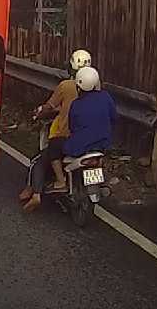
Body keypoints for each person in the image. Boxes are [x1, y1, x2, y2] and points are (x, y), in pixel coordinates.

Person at [23, 65, 115, 213]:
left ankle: (60, 181)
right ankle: (100, 181)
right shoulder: (106, 97)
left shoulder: (76, 103)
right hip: (103, 144)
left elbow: (72, 126)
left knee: (54, 146)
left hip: (80, 145)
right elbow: (114, 117)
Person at [18, 49, 91, 205]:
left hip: (67, 136)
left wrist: (39, 112)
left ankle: (46, 186)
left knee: (42, 157)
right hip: (90, 137)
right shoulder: (96, 88)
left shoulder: (66, 86)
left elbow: (49, 106)